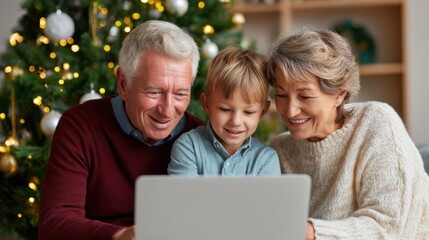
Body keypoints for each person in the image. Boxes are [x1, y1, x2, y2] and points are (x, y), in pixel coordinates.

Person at [38, 20, 205, 240]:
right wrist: (120, 236)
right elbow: (54, 224)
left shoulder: (201, 137)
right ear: (123, 85)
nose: (167, 110)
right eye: (154, 92)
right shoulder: (79, 125)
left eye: (181, 94)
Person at [267, 29, 429, 239]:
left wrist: (311, 232)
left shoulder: (376, 123)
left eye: (305, 96)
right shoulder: (279, 150)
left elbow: (387, 228)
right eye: (281, 95)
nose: (290, 111)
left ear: (339, 95)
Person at [168, 46, 280, 176]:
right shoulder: (189, 147)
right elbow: (183, 196)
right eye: (225, 109)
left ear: (263, 111)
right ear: (207, 104)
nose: (236, 121)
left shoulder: (266, 159)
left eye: (248, 112)